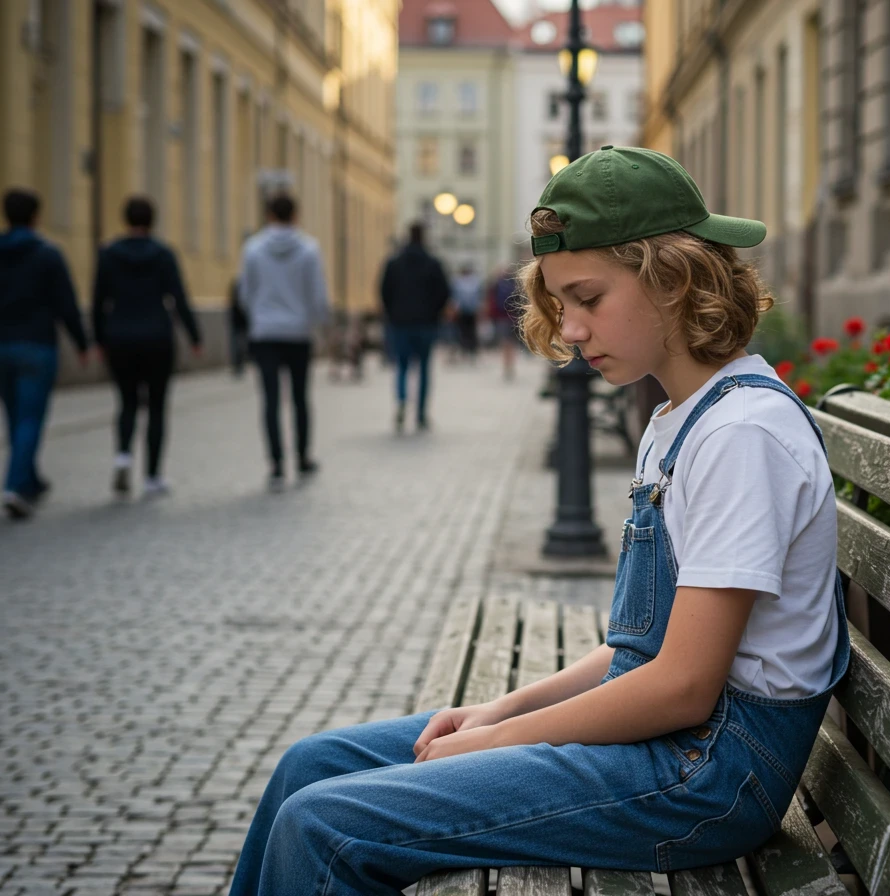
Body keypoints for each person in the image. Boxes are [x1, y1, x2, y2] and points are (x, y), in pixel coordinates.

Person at [226, 145, 849, 896]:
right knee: (311, 765)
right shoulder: (680, 419)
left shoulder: (741, 435)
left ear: (674, 278)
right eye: (560, 303)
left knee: (322, 824)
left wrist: (501, 741)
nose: (573, 330)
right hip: (674, 743)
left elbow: (683, 684)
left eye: (589, 298)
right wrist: (503, 707)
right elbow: (643, 648)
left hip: (706, 775)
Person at [0, 187, 90, 519]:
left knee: (14, 415)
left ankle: (30, 479)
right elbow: (66, 304)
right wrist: (82, 343)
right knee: (30, 417)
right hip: (36, 346)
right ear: (36, 216)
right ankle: (15, 486)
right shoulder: (47, 254)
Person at [92, 196, 203, 499]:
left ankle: (123, 457)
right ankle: (153, 476)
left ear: (125, 220)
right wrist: (194, 336)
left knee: (126, 402)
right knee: (156, 407)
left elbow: (99, 299)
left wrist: (98, 339)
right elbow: (179, 297)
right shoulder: (163, 255)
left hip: (120, 337)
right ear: (152, 221)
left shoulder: (109, 255)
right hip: (157, 338)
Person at [238, 194, 330, 491]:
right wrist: (319, 323)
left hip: (265, 333)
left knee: (271, 400)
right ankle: (303, 457)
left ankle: (276, 464)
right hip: (298, 333)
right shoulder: (309, 250)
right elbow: (317, 294)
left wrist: (259, 316)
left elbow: (244, 292)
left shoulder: (252, 249)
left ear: (268, 214)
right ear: (296, 215)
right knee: (301, 398)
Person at [378, 222, 450, 432]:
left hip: (400, 322)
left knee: (401, 365)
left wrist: (392, 313)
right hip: (426, 323)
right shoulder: (433, 263)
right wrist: (435, 313)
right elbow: (444, 292)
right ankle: (420, 413)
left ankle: (401, 400)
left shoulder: (394, 263)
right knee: (424, 368)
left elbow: (384, 291)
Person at [487, 262, 521, 380]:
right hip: (513, 317)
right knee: (511, 344)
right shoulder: (515, 284)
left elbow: (491, 302)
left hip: (501, 318)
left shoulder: (496, 284)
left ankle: (506, 366)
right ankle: (510, 365)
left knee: (505, 343)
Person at [450, 262, 483, 362]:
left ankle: (468, 350)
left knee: (467, 332)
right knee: (467, 332)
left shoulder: (458, 281)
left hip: (465, 310)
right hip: (465, 311)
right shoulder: (473, 281)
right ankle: (468, 351)